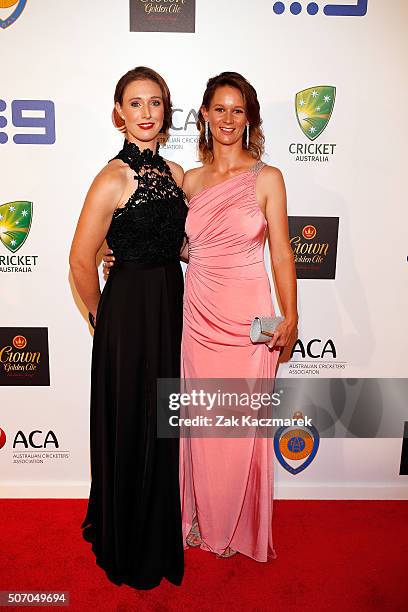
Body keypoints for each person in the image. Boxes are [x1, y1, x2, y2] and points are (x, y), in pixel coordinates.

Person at [104, 71, 298, 562]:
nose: (228, 119)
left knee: (238, 426)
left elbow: (281, 256)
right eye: (219, 109)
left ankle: (237, 524)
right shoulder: (188, 179)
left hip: (248, 316)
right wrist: (119, 252)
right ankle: (200, 517)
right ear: (205, 117)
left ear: (249, 118)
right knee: (201, 424)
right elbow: (174, 240)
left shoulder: (268, 178)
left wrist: (290, 315)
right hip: (198, 314)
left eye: (238, 110)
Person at [69, 66, 187, 589]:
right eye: (135, 103)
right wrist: (101, 318)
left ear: (166, 111)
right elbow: (78, 260)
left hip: (168, 305)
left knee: (161, 420)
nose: (146, 113)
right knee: (130, 419)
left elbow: (181, 245)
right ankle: (128, 539)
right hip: (127, 316)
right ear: (120, 113)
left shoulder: (177, 174)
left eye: (155, 103)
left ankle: (158, 531)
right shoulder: (111, 178)